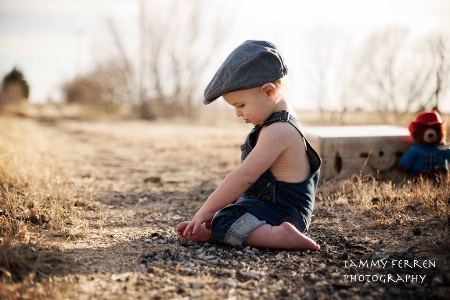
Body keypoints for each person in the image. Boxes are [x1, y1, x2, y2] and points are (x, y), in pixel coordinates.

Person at [176, 40, 321, 250]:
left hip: (285, 214)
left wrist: (205, 212)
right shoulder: (275, 125)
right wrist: (213, 217)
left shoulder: (278, 131)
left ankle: (279, 237)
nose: (238, 113)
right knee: (223, 217)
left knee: (224, 220)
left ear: (268, 92)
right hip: (268, 208)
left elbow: (243, 177)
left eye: (241, 105)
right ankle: (217, 232)